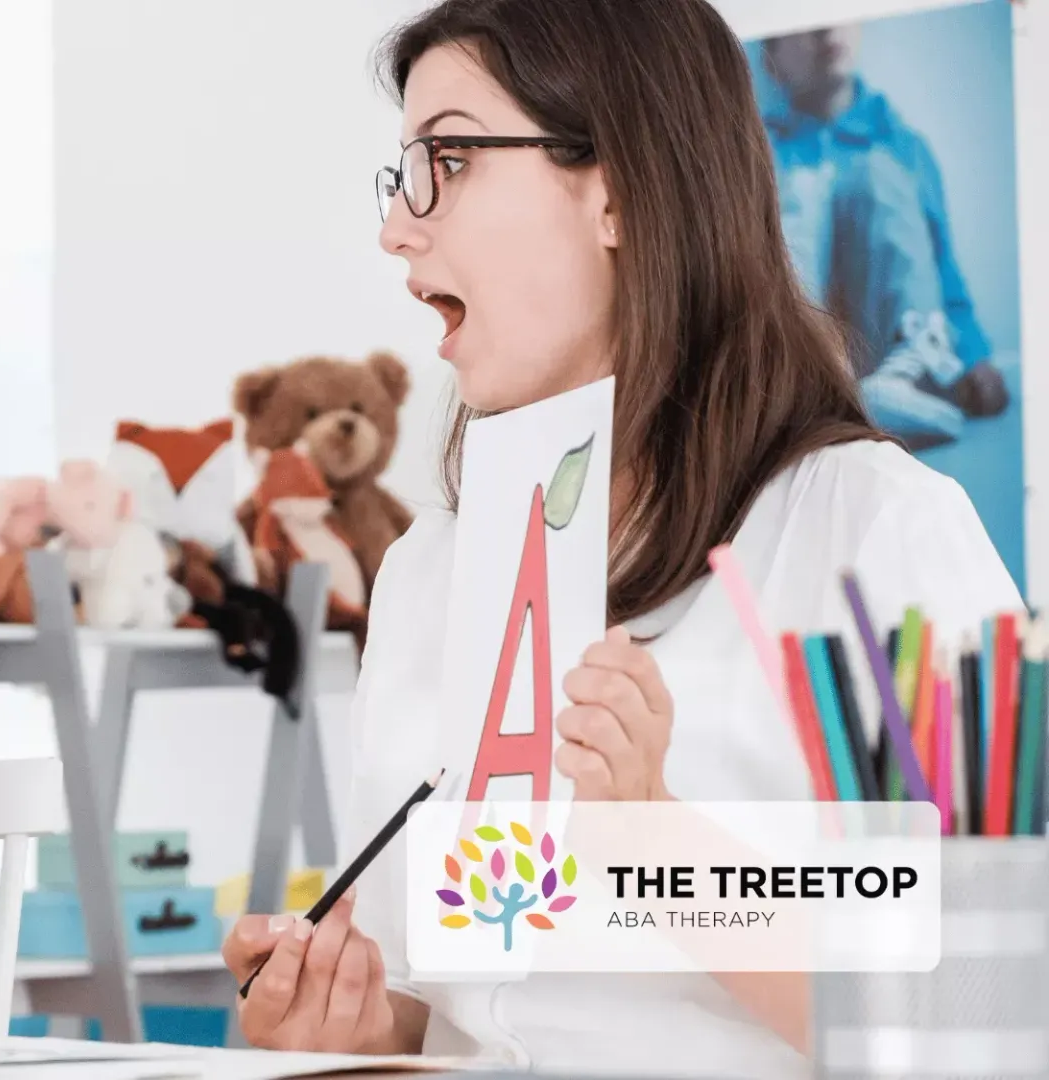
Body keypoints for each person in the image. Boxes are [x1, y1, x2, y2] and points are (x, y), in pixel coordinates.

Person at [220, 1, 1018, 1077]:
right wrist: (360, 1026)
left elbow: (990, 1012)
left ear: (621, 190)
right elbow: (461, 1003)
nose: (398, 227)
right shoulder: (430, 572)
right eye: (405, 169)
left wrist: (654, 845)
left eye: (448, 158)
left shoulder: (872, 534)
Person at [760, 24, 1009, 449]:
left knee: (879, 176)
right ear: (771, 60)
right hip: (799, 355)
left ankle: (910, 372)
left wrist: (973, 354)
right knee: (792, 190)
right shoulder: (762, 147)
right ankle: (794, 387)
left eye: (838, 14)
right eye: (803, 22)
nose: (825, 30)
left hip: (882, 352)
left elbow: (940, 262)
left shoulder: (900, 145)